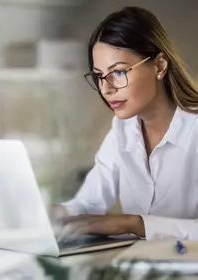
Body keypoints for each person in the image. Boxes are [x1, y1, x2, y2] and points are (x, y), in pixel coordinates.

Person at [53, 6, 198, 241]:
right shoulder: (123, 129)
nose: (106, 88)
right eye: (99, 76)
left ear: (159, 66)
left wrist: (134, 223)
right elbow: (90, 201)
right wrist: (52, 214)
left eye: (118, 72)